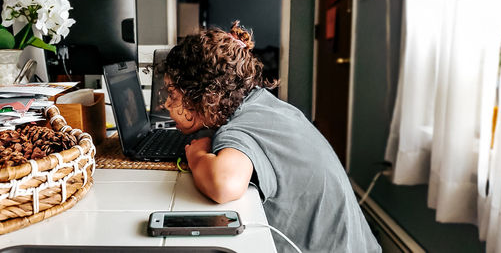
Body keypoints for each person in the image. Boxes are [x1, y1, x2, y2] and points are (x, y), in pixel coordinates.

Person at [156, 21, 380, 253]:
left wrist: (197, 155)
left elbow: (223, 184)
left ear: (203, 96)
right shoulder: (263, 105)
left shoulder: (240, 128)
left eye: (172, 94)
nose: (166, 104)